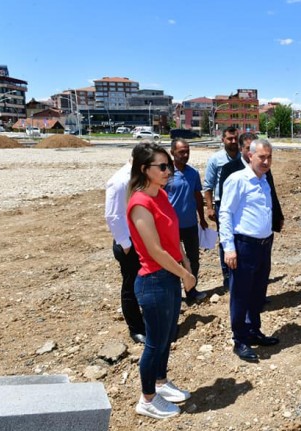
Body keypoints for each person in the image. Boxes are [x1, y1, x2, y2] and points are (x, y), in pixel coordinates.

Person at [127, 143, 196, 419]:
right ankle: (147, 399)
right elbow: (155, 250)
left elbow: (173, 234)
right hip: (154, 280)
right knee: (154, 342)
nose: (169, 171)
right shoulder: (140, 203)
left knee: (167, 336)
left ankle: (160, 382)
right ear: (145, 170)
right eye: (163, 166)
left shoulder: (161, 196)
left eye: (168, 166)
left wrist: (185, 260)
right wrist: (185, 274)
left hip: (169, 276)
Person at [219, 138, 279, 362]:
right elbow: (225, 213)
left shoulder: (264, 180)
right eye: (262, 157)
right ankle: (240, 340)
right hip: (244, 246)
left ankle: (254, 330)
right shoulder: (238, 180)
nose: (266, 161)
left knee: (258, 293)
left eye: (269, 157)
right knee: (241, 295)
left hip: (264, 246)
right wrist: (229, 247)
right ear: (250, 156)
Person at [104, 145, 146, 344]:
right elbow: (112, 215)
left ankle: (145, 321)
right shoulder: (120, 181)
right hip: (129, 244)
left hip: (141, 240)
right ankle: (135, 328)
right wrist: (126, 244)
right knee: (130, 286)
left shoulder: (138, 178)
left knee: (143, 284)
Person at [165, 138, 208, 306]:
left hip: (190, 224)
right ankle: (174, 295)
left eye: (187, 151)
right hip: (171, 227)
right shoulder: (166, 174)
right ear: (172, 153)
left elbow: (198, 197)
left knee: (193, 259)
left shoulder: (193, 173)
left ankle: (191, 291)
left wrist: (202, 218)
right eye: (181, 151)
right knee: (173, 261)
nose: (185, 154)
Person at [219, 132, 284, 233]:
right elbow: (225, 202)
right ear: (241, 148)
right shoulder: (230, 169)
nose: (252, 151)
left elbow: (271, 192)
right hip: (241, 229)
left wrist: (278, 215)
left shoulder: (264, 168)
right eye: (248, 148)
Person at [203, 126, 240, 288]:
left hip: (240, 206)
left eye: (235, 138)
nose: (233, 141)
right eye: (229, 138)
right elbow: (208, 186)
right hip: (222, 205)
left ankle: (239, 272)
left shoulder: (244, 158)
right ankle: (227, 274)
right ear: (223, 140)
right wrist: (210, 208)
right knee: (225, 238)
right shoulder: (216, 159)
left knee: (240, 238)